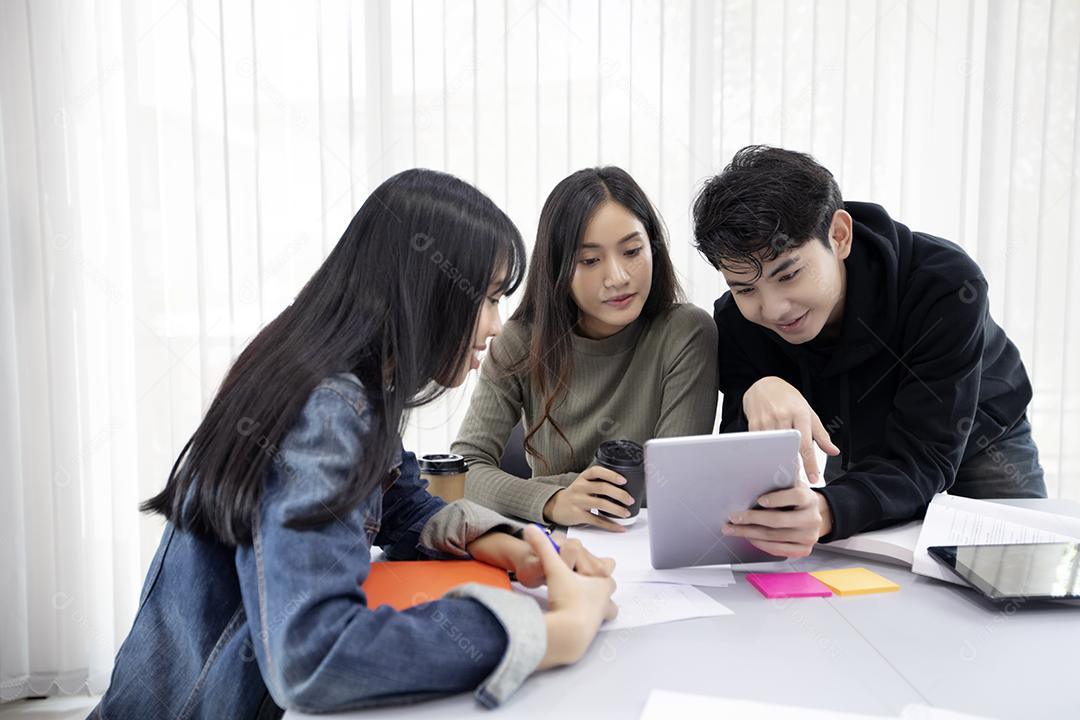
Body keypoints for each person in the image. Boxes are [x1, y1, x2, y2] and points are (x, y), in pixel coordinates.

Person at [92, 169, 617, 719]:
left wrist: (514, 546)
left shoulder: (345, 377)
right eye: (486, 298)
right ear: (426, 290)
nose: (494, 325)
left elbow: (397, 501)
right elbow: (314, 657)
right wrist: (551, 632)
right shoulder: (324, 408)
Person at [692, 145, 1045, 557]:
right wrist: (757, 388)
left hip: (982, 441)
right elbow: (742, 474)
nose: (773, 309)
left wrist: (828, 508)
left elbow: (925, 456)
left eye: (788, 274)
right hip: (861, 446)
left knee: (1019, 573)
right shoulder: (737, 320)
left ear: (839, 236)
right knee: (870, 594)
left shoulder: (944, 285)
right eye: (744, 288)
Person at [453, 166, 718, 531]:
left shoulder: (686, 333)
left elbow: (670, 486)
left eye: (632, 251)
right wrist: (553, 500)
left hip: (646, 546)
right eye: (590, 260)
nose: (618, 277)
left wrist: (540, 487)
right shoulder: (519, 341)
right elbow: (461, 468)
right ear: (558, 268)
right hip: (554, 543)